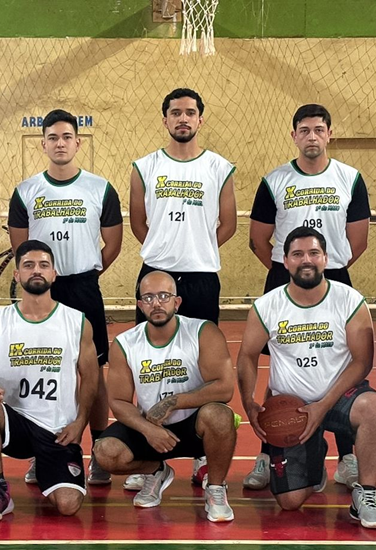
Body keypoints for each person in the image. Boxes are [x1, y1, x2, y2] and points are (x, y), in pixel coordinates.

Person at [246, 104, 371, 490]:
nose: (312, 136)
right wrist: (292, 271)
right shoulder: (275, 180)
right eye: (304, 130)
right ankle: (269, 451)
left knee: (342, 362)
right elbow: (258, 238)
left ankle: (347, 458)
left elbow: (358, 239)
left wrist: (323, 269)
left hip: (332, 276)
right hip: (286, 278)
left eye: (319, 129)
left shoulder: (350, 178)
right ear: (294, 136)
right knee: (281, 363)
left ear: (329, 134)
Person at [236, 227, 376, 528]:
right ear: (285, 261)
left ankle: (366, 493)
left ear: (326, 258)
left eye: (313, 253)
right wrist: (249, 402)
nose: (306, 260)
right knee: (289, 502)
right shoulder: (267, 306)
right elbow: (247, 356)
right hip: (291, 408)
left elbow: (362, 362)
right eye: (297, 254)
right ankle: (314, 461)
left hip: (341, 397)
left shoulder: (349, 300)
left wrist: (323, 405)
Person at [9, 109, 123, 487]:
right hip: (43, 291)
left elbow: (113, 243)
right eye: (53, 138)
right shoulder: (26, 191)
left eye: (66, 137)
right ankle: (42, 449)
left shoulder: (99, 188)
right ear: (43, 144)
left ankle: (100, 452)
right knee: (41, 369)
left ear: (77, 143)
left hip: (84, 286)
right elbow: (21, 248)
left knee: (94, 371)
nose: (60, 143)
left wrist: (85, 273)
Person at [129, 88, 236, 489]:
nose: (183, 119)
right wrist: (166, 253)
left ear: (200, 119)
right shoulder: (145, 166)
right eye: (176, 112)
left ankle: (202, 456)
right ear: (165, 120)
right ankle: (150, 458)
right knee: (150, 363)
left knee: (203, 365)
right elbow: (139, 223)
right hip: (156, 273)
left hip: (202, 275)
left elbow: (227, 224)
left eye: (190, 112)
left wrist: (196, 251)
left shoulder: (219, 167)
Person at [0, 240, 98, 521]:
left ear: (54, 274)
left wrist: (80, 422)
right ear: (17, 275)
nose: (36, 270)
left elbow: (90, 377)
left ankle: (45, 466)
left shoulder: (77, 322)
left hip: (57, 429)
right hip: (15, 422)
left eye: (43, 265)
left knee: (68, 505)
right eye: (28, 265)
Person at [93, 271, 237, 522]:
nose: (156, 303)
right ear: (140, 305)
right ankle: (156, 471)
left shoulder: (202, 332)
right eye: (148, 298)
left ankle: (215, 488)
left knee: (220, 415)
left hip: (194, 426)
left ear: (177, 302)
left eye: (164, 296)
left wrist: (174, 402)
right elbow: (118, 401)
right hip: (151, 427)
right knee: (105, 452)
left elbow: (224, 388)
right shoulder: (125, 343)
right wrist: (147, 429)